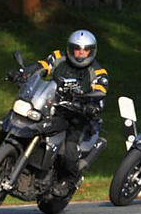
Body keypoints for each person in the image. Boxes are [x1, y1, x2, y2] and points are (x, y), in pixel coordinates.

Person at [11, 29, 109, 196]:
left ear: (91, 51)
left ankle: (68, 180)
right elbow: (43, 66)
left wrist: (89, 102)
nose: (80, 54)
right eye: (77, 49)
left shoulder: (98, 71)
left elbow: (101, 89)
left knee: (68, 148)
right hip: (53, 106)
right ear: (70, 49)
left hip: (78, 113)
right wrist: (25, 73)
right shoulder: (59, 57)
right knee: (25, 122)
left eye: (85, 50)